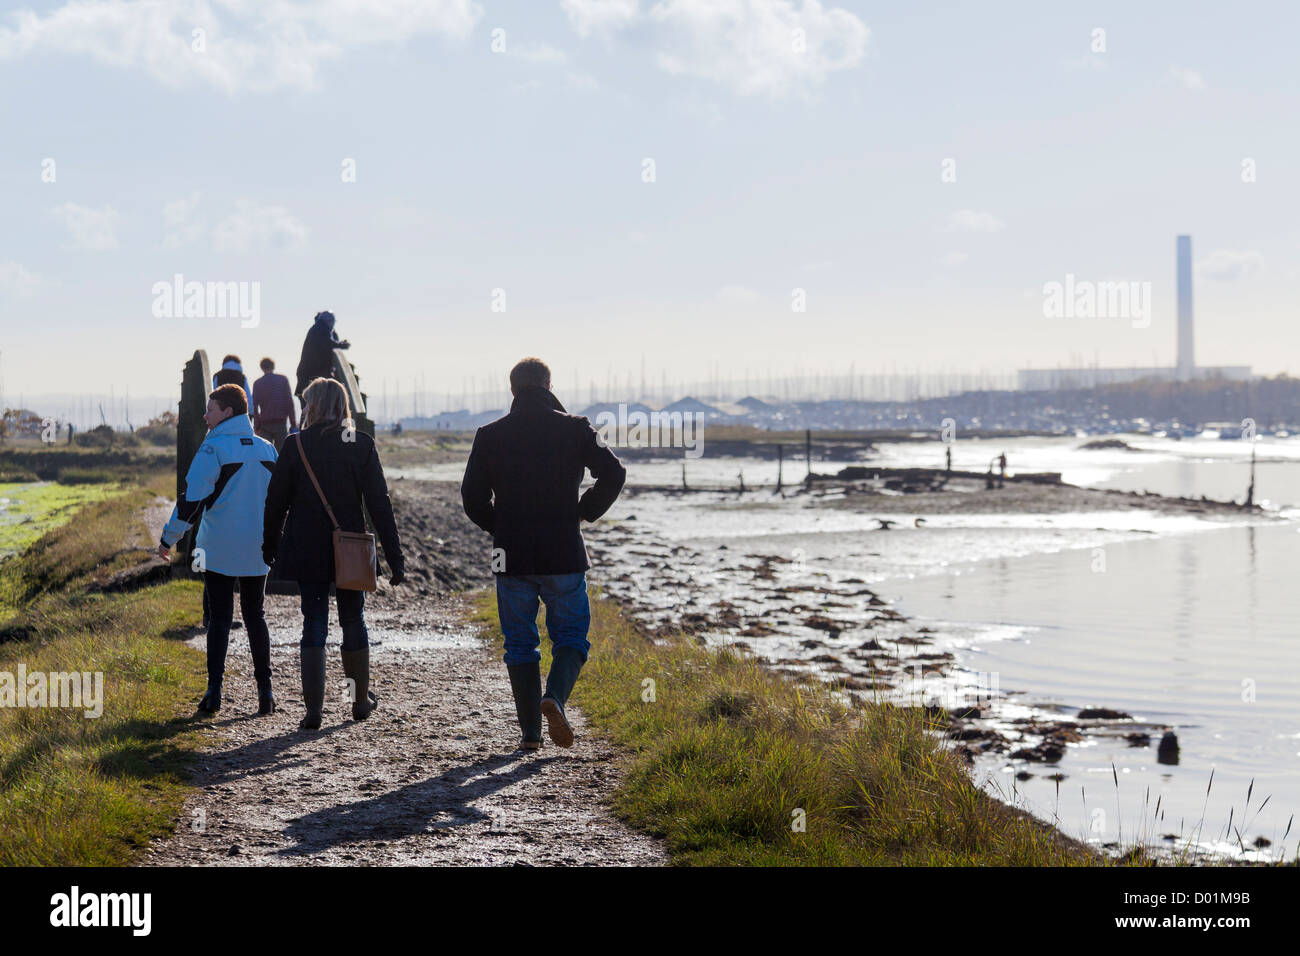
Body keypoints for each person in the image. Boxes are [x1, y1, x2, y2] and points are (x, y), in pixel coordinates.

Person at [460, 358, 626, 751]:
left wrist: (499, 526)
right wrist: (585, 510)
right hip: (563, 551)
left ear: (513, 389)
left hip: (511, 554)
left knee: (519, 643)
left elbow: (472, 499)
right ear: (548, 384)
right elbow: (614, 472)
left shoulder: (489, 434)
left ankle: (531, 735)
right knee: (571, 636)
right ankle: (555, 697)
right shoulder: (576, 427)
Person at [263, 377, 404, 731]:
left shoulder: (295, 445)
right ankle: (358, 700)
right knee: (352, 621)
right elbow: (379, 506)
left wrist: (269, 545)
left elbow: (275, 502)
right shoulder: (359, 444)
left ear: (314, 405)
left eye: (307, 401)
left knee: (313, 622)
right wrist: (394, 557)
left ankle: (314, 712)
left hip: (308, 547)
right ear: (343, 406)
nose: (304, 407)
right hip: (350, 548)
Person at [158, 383, 277, 716]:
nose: (204, 415)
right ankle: (265, 693)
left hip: (218, 549)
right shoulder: (268, 449)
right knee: (256, 616)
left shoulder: (212, 450)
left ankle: (214, 693)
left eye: (210, 409)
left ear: (227, 412)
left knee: (220, 619)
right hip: (258, 547)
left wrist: (168, 539)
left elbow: (191, 503)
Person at [294, 311, 350, 406]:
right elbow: (328, 343)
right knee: (311, 406)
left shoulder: (318, 329)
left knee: (309, 407)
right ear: (330, 321)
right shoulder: (321, 329)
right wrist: (342, 345)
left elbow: (327, 343)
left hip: (308, 374)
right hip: (312, 375)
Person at [251, 357, 298, 450]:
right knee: (281, 453)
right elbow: (289, 402)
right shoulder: (282, 380)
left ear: (262, 367)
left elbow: (255, 407)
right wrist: (293, 423)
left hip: (265, 423)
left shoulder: (257, 383)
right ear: (273, 366)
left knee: (267, 453)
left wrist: (256, 425)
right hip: (280, 422)